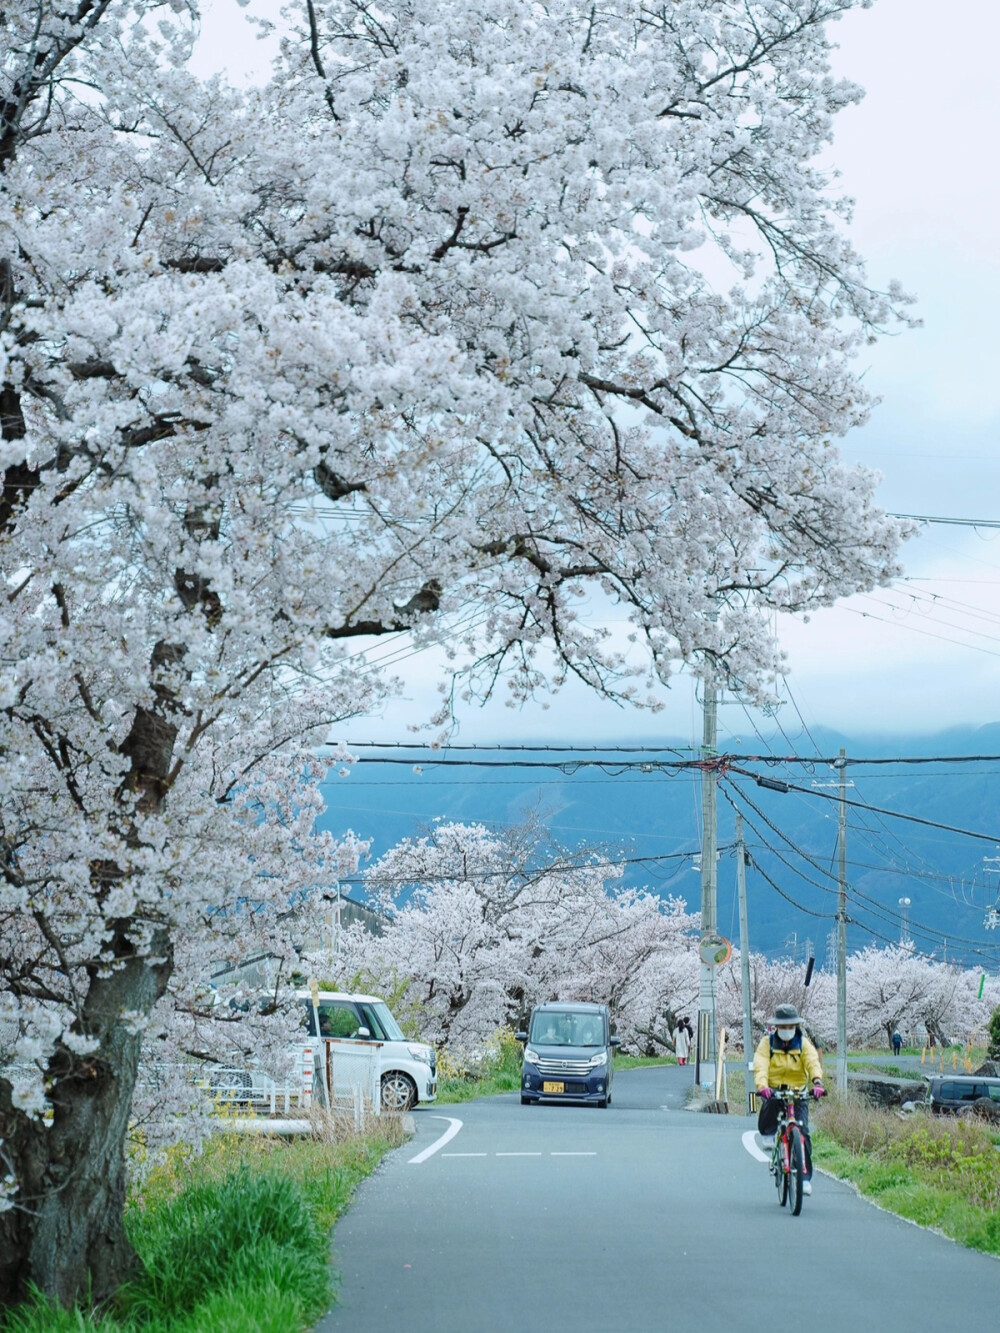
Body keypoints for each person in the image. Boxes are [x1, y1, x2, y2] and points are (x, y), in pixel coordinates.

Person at [753, 1003, 826, 1195]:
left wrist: (817, 1082)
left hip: (798, 1091)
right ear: (776, 1027)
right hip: (775, 1089)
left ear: (796, 1027)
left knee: (803, 1132)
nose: (787, 1031)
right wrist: (763, 1086)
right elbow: (761, 1065)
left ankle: (804, 1178)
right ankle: (768, 1133)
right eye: (783, 1027)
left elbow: (812, 1062)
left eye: (790, 1027)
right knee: (770, 1107)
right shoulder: (767, 1044)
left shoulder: (803, 1043)